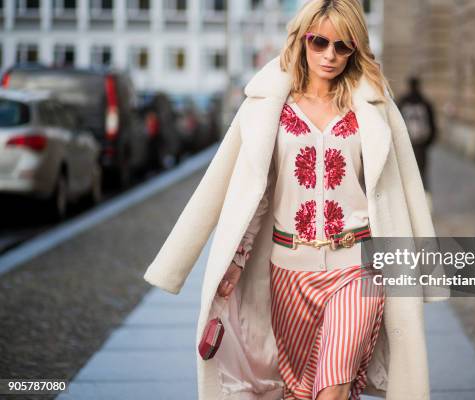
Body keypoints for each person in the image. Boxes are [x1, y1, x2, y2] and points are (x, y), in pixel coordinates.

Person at [143, 0, 449, 399]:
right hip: (288, 273)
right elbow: (258, 191)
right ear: (302, 40)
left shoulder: (372, 107)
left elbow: (397, 190)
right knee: (301, 391)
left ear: (355, 50)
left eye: (343, 46)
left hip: (357, 268)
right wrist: (237, 260)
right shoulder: (268, 107)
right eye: (319, 42)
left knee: (334, 388)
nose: (330, 55)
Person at [396, 76, 437, 210]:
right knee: (423, 174)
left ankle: (408, 206)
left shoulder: (402, 102)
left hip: (406, 144)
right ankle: (425, 205)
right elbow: (433, 125)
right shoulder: (425, 102)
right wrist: (427, 143)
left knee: (406, 175)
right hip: (421, 145)